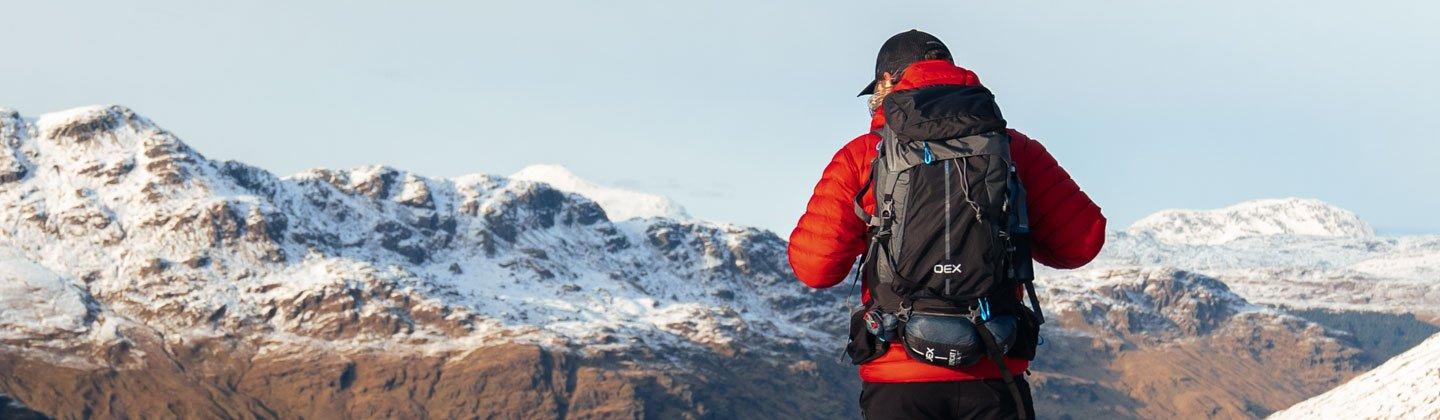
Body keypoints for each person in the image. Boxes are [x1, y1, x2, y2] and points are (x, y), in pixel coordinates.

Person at [787, 30, 1106, 419]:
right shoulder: (1013, 149)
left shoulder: (863, 156)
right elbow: (1082, 242)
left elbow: (814, 268)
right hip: (994, 370)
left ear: (887, 82)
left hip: (898, 378)